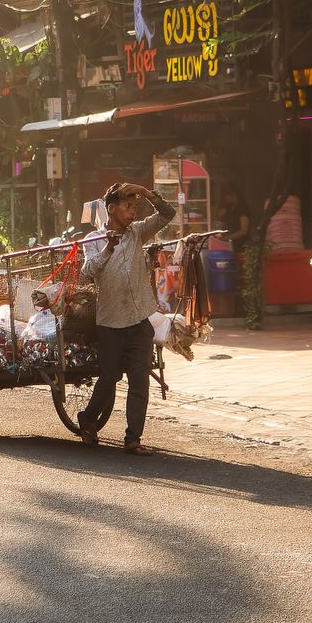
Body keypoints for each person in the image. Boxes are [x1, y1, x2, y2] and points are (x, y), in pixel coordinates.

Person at [77, 182, 176, 455]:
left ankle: (133, 439)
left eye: (135, 207)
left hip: (139, 320)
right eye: (127, 206)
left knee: (139, 380)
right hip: (110, 322)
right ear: (111, 209)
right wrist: (108, 248)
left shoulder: (137, 232)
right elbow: (88, 272)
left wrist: (146, 192)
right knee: (109, 378)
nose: (132, 212)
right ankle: (88, 418)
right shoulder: (94, 240)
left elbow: (168, 214)